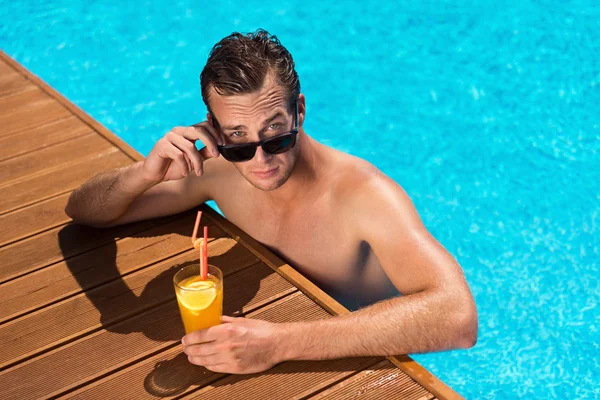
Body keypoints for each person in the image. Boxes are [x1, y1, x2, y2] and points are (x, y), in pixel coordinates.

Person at [66, 29, 478, 374]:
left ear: (299, 110)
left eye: (275, 132)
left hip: (380, 359)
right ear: (215, 129)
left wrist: (280, 342)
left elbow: (458, 319)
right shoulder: (221, 169)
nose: (260, 159)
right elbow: (84, 212)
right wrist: (144, 174)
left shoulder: (363, 196)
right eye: (239, 138)